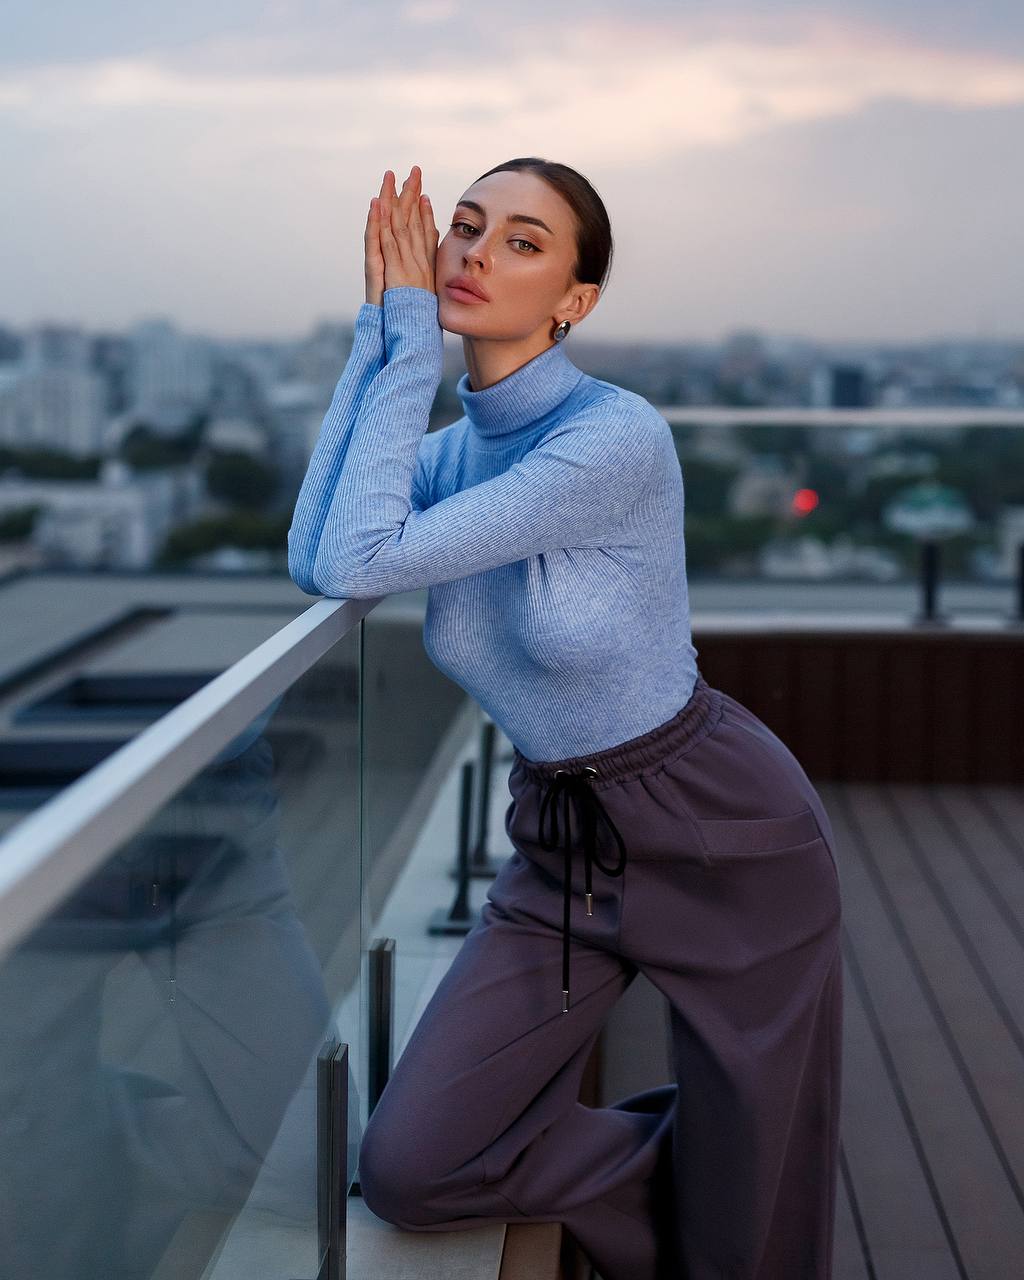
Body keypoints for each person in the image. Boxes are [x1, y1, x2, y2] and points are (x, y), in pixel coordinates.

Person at [287, 159, 843, 1280]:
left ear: (574, 300)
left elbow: (360, 554)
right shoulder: (451, 454)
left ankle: (734, 1184)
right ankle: (699, 1171)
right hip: (560, 845)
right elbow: (322, 558)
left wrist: (408, 335)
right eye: (464, 228)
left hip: (719, 829)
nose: (477, 254)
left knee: (749, 1245)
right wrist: (382, 333)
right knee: (409, 1165)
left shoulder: (613, 438)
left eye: (524, 242)